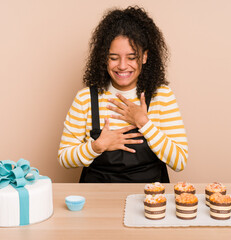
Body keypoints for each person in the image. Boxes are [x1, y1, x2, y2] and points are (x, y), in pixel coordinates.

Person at [58, 6, 188, 183]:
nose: (122, 65)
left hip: (150, 201)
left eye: (132, 57)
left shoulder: (161, 96)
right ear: (104, 58)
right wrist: (97, 146)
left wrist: (144, 123)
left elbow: (180, 161)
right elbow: (64, 158)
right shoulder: (85, 98)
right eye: (113, 57)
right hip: (97, 200)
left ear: (144, 57)